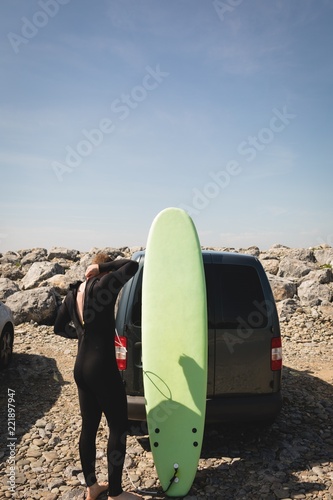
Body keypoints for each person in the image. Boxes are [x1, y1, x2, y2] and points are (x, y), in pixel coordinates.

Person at [54, 253, 142, 500]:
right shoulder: (105, 284)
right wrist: (102, 266)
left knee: (89, 427)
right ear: (103, 271)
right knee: (118, 427)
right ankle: (115, 492)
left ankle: (92, 487)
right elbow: (132, 265)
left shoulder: (72, 294)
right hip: (102, 367)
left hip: (81, 368)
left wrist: (81, 337)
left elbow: (58, 328)